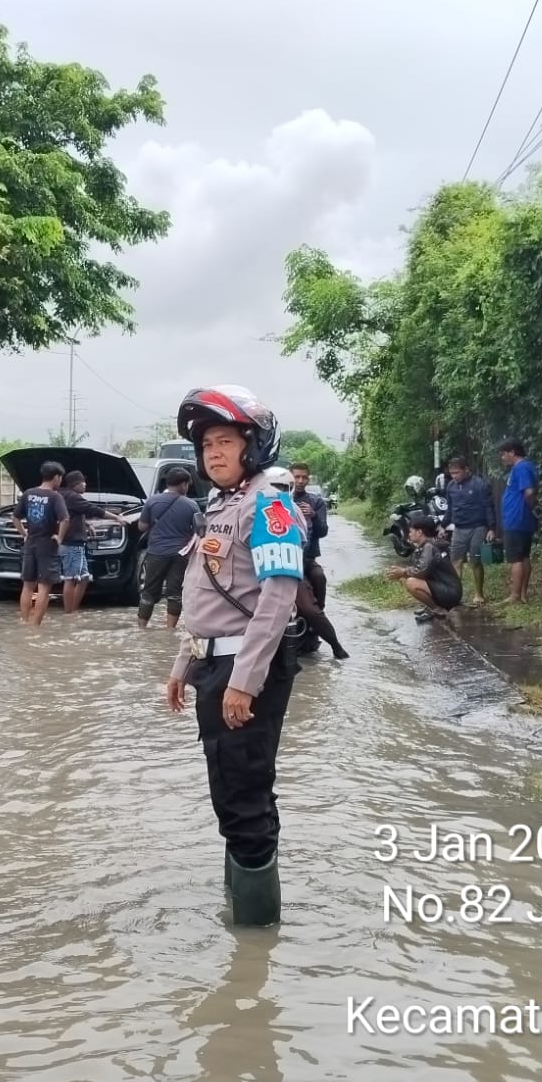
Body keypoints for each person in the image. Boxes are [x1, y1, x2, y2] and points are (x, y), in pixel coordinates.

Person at [165, 384, 305, 927]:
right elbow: (204, 596)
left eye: (225, 441)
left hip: (245, 667)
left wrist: (244, 681)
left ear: (254, 445)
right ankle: (240, 906)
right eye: (206, 445)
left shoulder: (270, 504)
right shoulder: (222, 505)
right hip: (214, 664)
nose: (213, 453)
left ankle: (254, 940)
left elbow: (278, 598)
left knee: (243, 795)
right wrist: (183, 666)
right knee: (232, 786)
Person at [264, 467, 349, 661]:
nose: (276, 491)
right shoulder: (252, 507)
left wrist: (313, 516)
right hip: (261, 565)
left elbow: (305, 538)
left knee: (313, 597)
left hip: (294, 563)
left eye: (281, 487)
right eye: (273, 486)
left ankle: (334, 644)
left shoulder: (299, 508)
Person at [137, 465, 199, 630]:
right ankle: (170, 630)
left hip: (156, 553)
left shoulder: (152, 501)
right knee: (175, 593)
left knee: (148, 592)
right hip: (180, 555)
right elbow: (199, 530)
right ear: (183, 484)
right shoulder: (192, 505)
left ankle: (141, 628)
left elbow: (142, 527)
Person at [57, 470, 126, 613]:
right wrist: (116, 517)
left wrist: (87, 524)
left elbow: (72, 514)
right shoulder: (73, 497)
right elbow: (93, 509)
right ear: (75, 484)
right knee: (71, 579)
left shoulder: (64, 495)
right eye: (82, 482)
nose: (85, 484)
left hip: (76, 544)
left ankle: (73, 611)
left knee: (84, 578)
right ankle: (68, 614)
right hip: (71, 544)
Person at [13, 461, 69, 625]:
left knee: (27, 586)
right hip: (47, 545)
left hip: (30, 543)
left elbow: (15, 517)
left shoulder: (28, 493)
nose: (60, 481)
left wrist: (24, 534)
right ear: (56, 477)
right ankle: (36, 626)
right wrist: (60, 537)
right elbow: (65, 519)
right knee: (44, 587)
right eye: (60, 478)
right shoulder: (55, 496)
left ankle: (24, 622)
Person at [443, 455, 497, 605]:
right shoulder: (451, 486)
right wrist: (443, 525)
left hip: (477, 527)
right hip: (459, 528)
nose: (454, 476)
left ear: (466, 469)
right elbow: (450, 508)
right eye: (452, 473)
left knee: (476, 561)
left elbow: (488, 507)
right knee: (455, 561)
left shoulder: (479, 484)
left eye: (457, 473)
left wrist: (491, 528)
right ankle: (455, 596)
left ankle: (479, 594)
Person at [385, 518, 463, 621]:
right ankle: (431, 607)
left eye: (410, 531)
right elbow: (420, 567)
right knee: (407, 577)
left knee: (411, 582)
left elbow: (421, 571)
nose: (409, 534)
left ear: (419, 532)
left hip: (450, 592)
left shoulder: (429, 547)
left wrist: (403, 571)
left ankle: (437, 610)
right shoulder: (427, 545)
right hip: (446, 588)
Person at [498, 439, 541, 604]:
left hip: (517, 518)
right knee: (524, 556)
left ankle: (515, 595)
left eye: (504, 454)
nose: (502, 458)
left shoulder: (521, 467)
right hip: (522, 519)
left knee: (515, 558)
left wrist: (532, 507)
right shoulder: (526, 466)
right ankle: (523, 595)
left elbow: (529, 492)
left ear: (512, 452)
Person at [289, 460, 330, 609]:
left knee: (319, 577)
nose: (300, 481)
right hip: (285, 558)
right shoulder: (280, 499)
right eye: (297, 477)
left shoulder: (316, 501)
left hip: (307, 557)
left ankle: (319, 610)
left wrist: (314, 515)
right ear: (290, 478)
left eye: (304, 477)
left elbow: (323, 531)